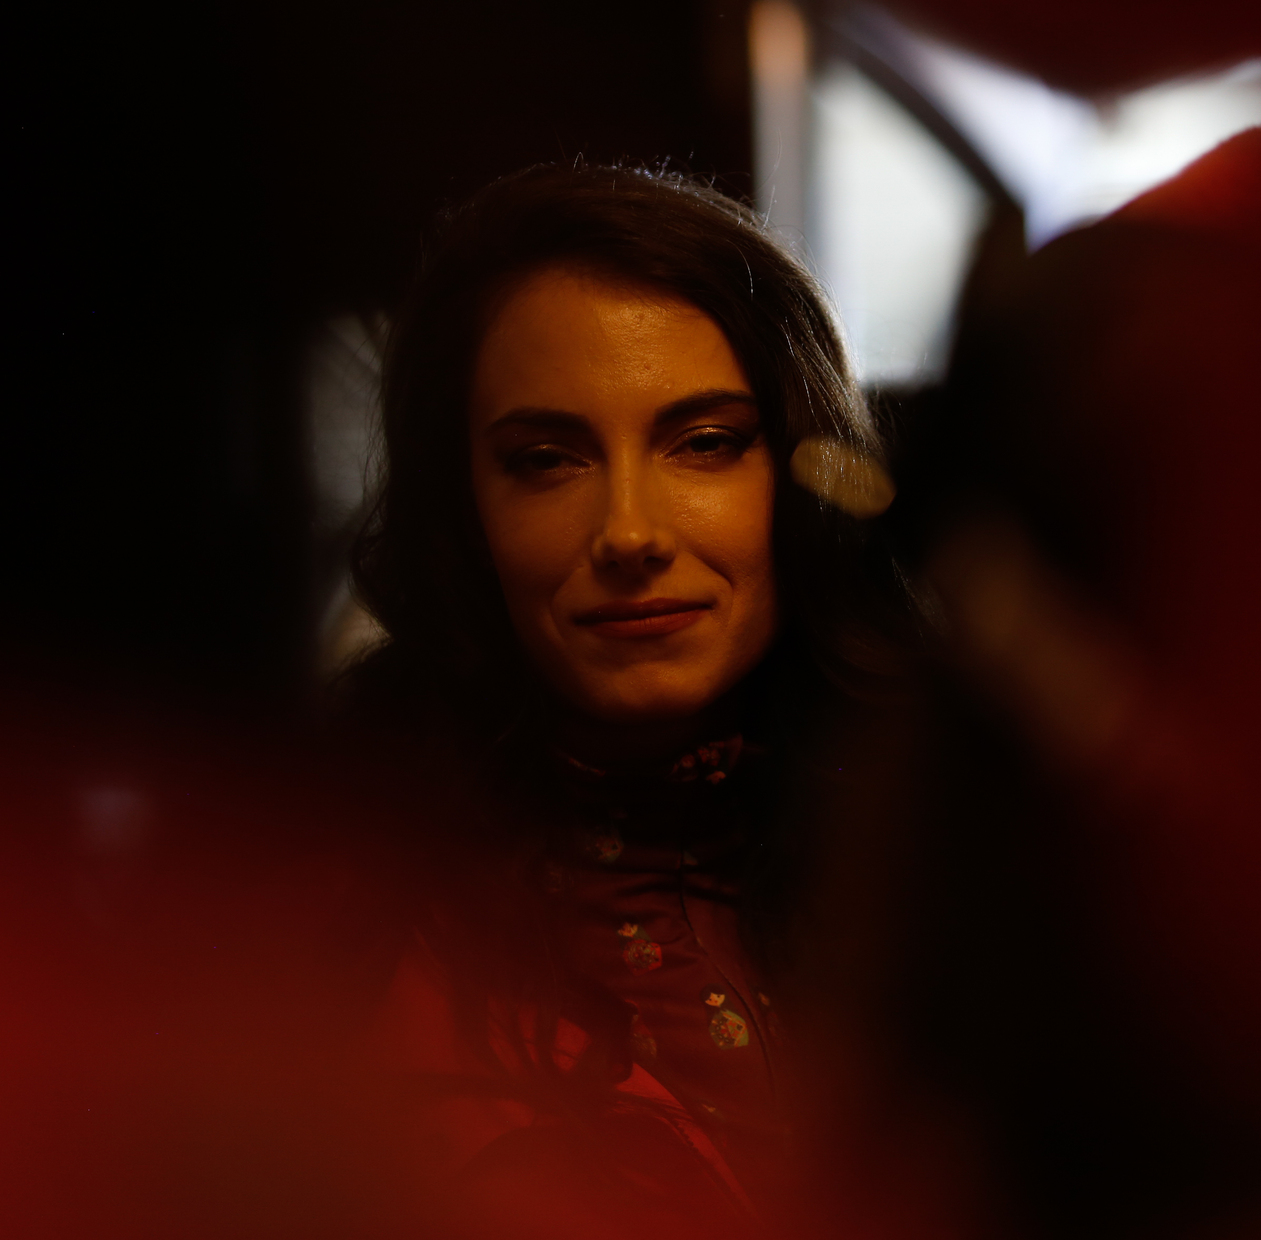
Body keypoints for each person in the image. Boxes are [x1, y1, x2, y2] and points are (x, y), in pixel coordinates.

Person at [336, 163, 924, 1237]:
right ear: (463, 513)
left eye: (705, 444)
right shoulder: (332, 908)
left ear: (807, 474)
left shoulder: (962, 852)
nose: (631, 533)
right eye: (547, 460)